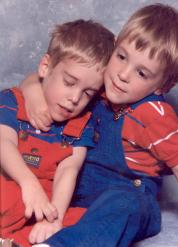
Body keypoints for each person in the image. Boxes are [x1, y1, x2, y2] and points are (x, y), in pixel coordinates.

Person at [19, 3, 178, 247]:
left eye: (141, 73)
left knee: (123, 203)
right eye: (121, 56)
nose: (123, 74)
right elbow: (39, 76)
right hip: (81, 192)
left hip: (131, 198)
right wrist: (34, 93)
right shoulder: (102, 84)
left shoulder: (155, 116)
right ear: (115, 46)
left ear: (162, 86)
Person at [0, 20, 115, 247]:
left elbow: (68, 170)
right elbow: (3, 143)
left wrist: (56, 219)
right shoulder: (12, 102)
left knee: (85, 218)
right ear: (45, 67)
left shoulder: (81, 124)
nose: (74, 98)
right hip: (11, 182)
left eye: (87, 93)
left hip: (44, 201)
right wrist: (28, 184)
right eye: (69, 82)